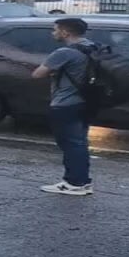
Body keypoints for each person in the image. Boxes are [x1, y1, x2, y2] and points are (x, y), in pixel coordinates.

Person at [33, 17, 96, 196]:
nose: (53, 33)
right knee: (80, 142)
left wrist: (53, 70)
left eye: (55, 30)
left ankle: (74, 182)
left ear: (65, 32)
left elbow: (37, 74)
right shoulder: (92, 47)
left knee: (71, 144)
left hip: (65, 103)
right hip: (86, 101)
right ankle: (82, 181)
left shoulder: (64, 52)